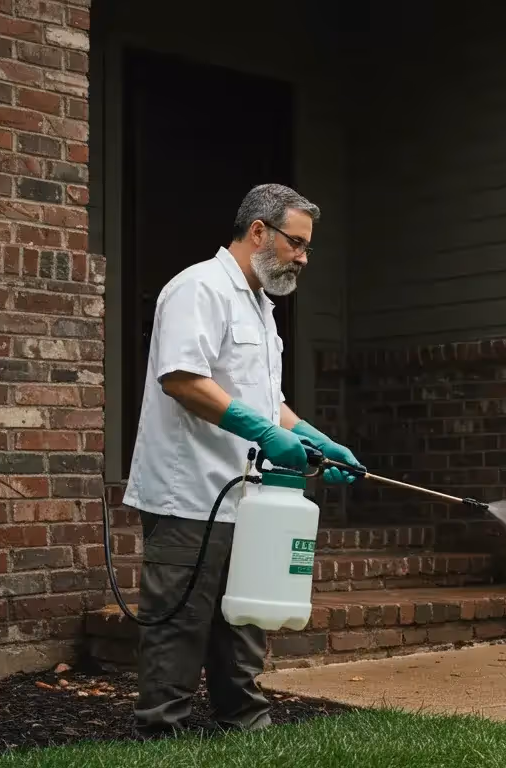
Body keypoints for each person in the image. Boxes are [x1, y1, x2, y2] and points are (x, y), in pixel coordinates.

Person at [120, 183, 360, 738]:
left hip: (247, 496)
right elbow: (182, 379)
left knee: (244, 618)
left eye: (307, 247)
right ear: (259, 232)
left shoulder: (260, 307)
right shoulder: (198, 288)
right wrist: (260, 432)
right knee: (179, 622)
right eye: (296, 243)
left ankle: (245, 727)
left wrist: (317, 439)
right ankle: (161, 735)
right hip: (188, 495)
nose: (303, 257)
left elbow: (264, 401)